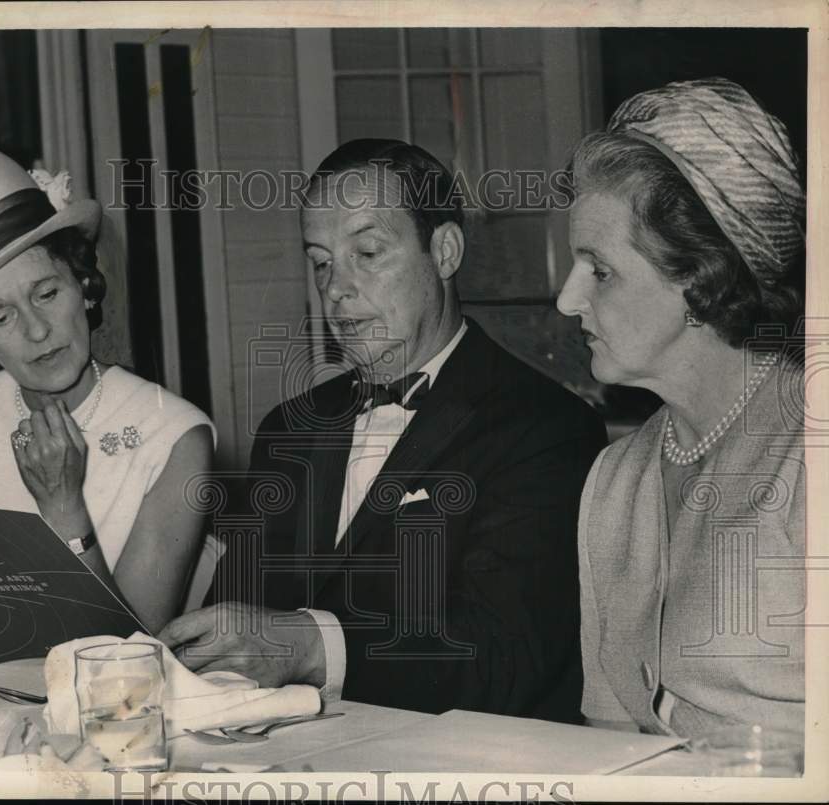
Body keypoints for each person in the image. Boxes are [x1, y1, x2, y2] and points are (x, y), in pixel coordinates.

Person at [159, 139, 606, 721]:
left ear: (444, 251)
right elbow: (230, 630)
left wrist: (312, 648)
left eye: (367, 252)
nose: (336, 289)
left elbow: (505, 658)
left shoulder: (546, 429)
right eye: (321, 263)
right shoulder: (289, 431)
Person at [0, 148, 214, 633]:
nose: (38, 331)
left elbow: (131, 652)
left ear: (85, 286)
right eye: (1, 317)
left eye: (47, 294)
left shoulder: (174, 436)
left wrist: (64, 509)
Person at [556, 78, 806, 738]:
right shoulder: (613, 482)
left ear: (698, 278)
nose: (566, 299)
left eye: (598, 270)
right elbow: (607, 738)